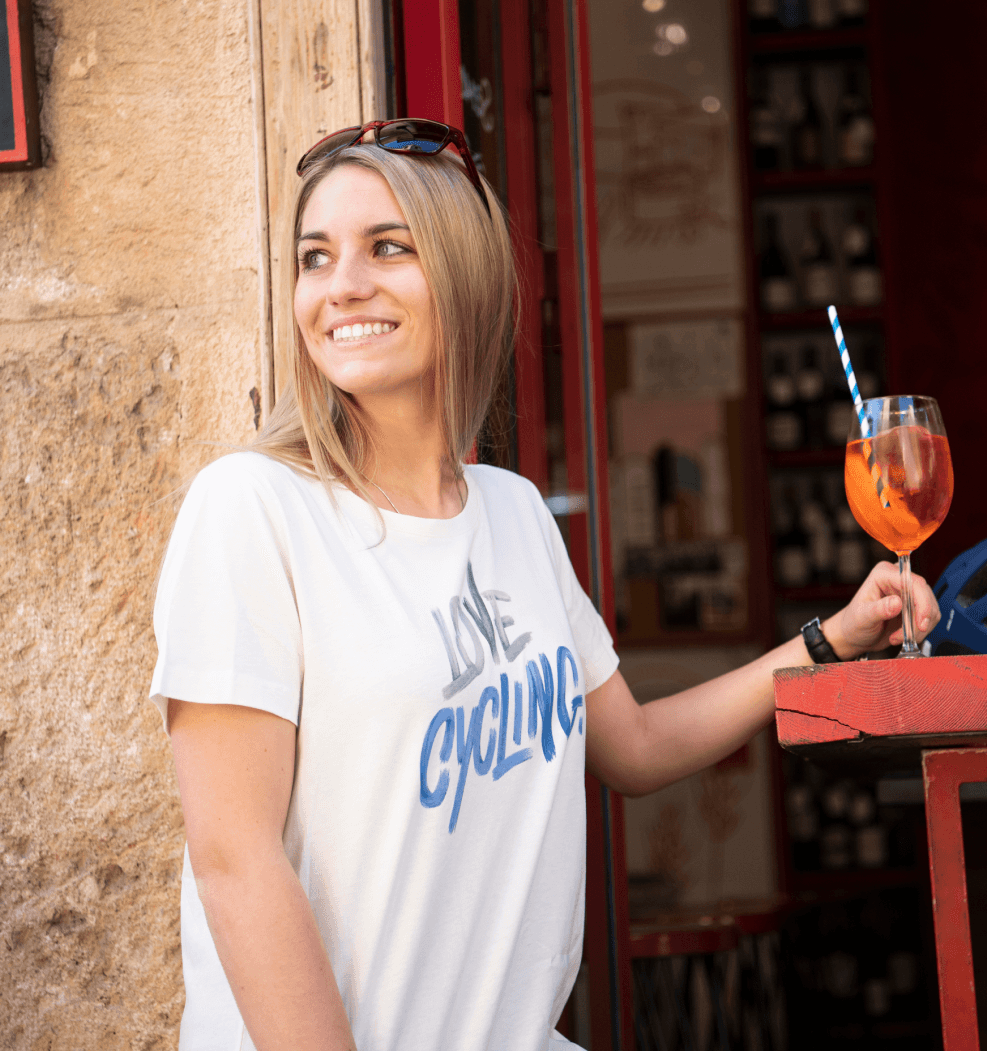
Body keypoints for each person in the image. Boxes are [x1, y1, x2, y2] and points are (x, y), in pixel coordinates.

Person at [149, 119, 940, 1051]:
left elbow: (635, 747)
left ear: (465, 274)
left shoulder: (515, 513)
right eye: (314, 258)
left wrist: (829, 642)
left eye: (387, 247)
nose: (342, 286)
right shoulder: (252, 508)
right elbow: (235, 859)